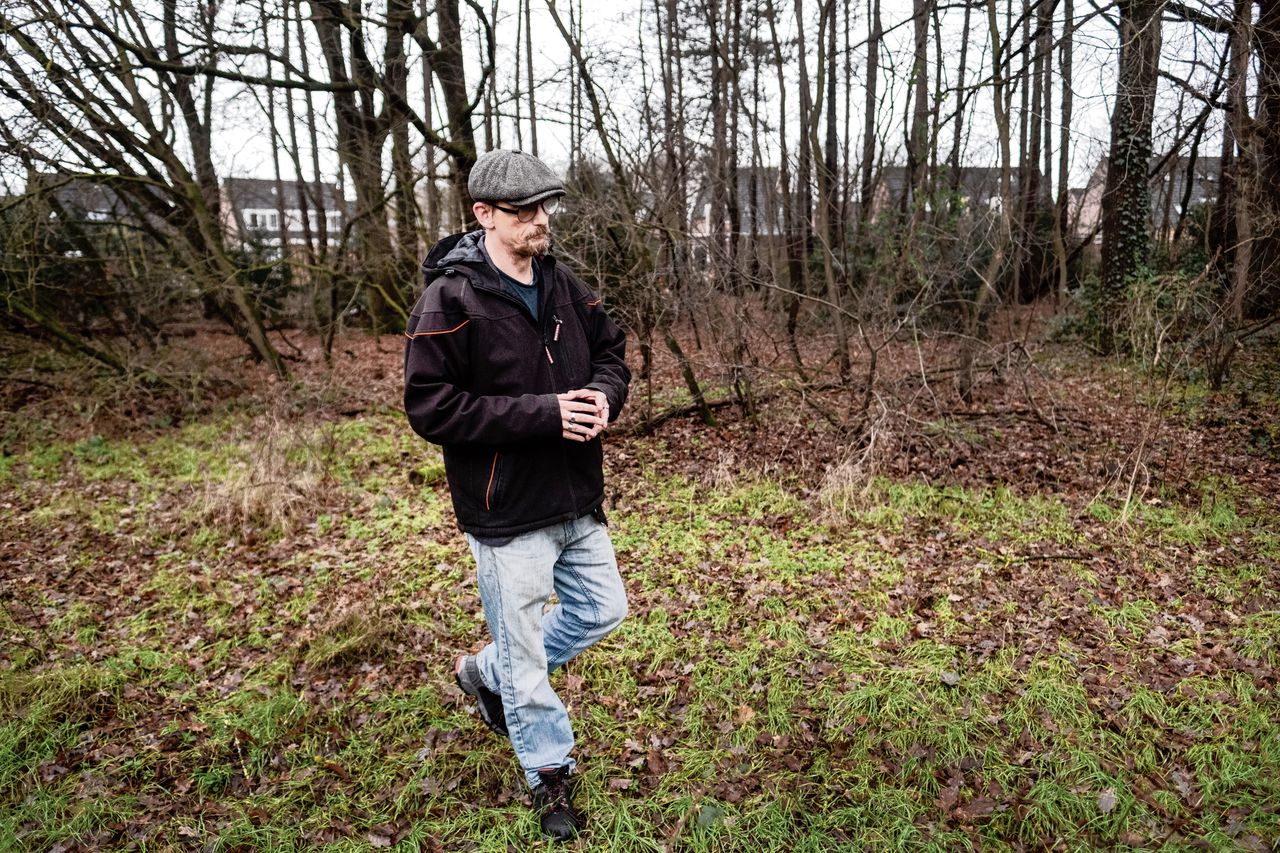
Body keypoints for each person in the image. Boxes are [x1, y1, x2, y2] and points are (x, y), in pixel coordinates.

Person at [403, 149, 631, 842]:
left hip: (576, 496)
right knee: (528, 657)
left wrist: (604, 396)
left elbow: (612, 350)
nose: (539, 221)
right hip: (505, 510)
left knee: (604, 609)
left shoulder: (564, 284)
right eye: (523, 210)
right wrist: (544, 413)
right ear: (483, 215)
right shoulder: (450, 298)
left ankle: (484, 670)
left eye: (544, 206)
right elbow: (429, 407)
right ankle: (549, 773)